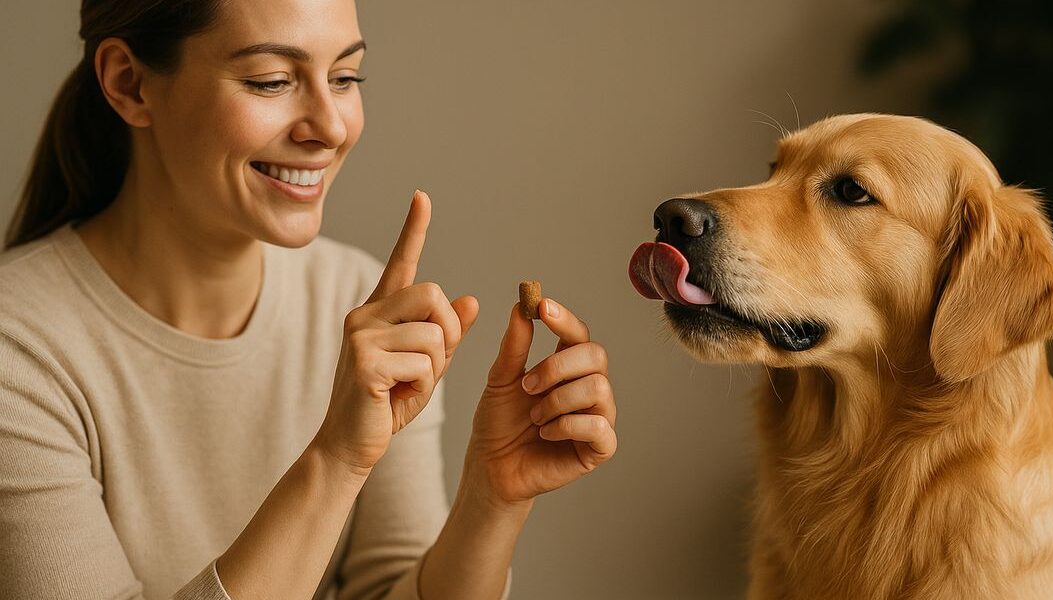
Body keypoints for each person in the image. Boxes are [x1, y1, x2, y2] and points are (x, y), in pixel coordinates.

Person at [0, 0, 618, 598]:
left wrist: (493, 499)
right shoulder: (18, 348)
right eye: (271, 81)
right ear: (130, 84)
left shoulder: (361, 306)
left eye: (345, 76)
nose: (330, 127)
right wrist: (336, 459)